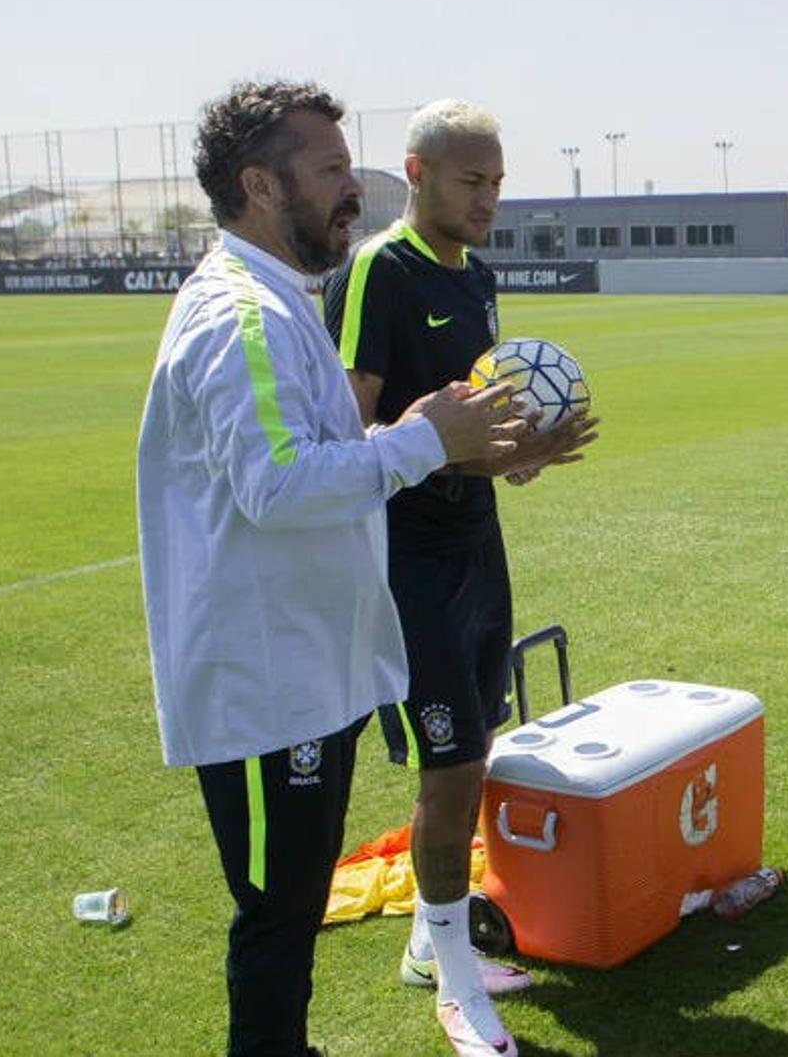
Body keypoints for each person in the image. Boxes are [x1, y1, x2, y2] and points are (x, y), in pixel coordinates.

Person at [138, 79, 522, 1057]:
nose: (356, 189)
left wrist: (444, 440)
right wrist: (428, 440)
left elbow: (328, 453)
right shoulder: (244, 315)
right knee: (275, 916)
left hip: (305, 673)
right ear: (262, 185)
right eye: (332, 170)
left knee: (294, 903)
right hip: (268, 685)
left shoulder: (280, 300)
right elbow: (276, 484)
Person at [321, 99, 597, 1057]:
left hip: (476, 544)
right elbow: (344, 440)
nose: (488, 199)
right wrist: (462, 460)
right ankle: (453, 986)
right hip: (406, 562)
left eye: (497, 182)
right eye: (470, 180)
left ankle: (428, 945)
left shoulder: (477, 279)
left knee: (473, 750)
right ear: (417, 174)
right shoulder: (375, 273)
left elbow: (475, 427)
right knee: (450, 776)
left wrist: (524, 456)